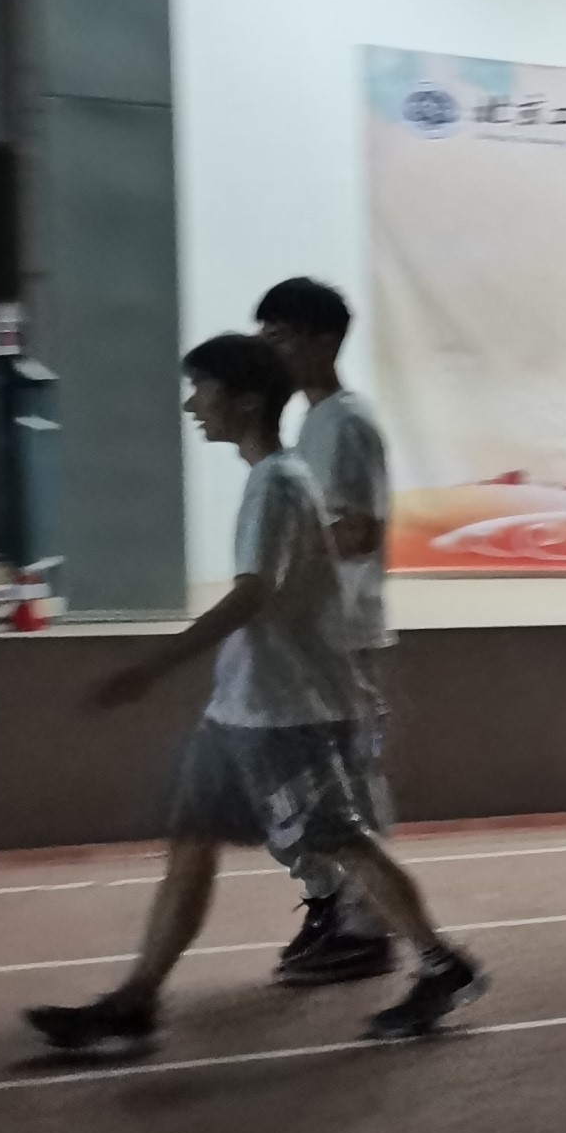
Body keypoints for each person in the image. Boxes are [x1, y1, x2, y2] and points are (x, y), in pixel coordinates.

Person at [25, 335, 489, 1055]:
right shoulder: (276, 480)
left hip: (287, 712)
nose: (191, 405)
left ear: (243, 401)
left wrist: (151, 667)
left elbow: (253, 594)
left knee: (339, 840)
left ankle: (442, 964)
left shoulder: (278, 483)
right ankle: (135, 1002)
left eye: (202, 390)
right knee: (191, 843)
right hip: (240, 709)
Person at [256, 276, 398, 984]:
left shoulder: (348, 423)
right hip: (308, 633)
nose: (269, 352)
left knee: (348, 780)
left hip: (343, 633)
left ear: (323, 340)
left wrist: (276, 567)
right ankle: (331, 902)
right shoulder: (311, 423)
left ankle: (368, 926)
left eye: (279, 337)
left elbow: (360, 530)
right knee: (296, 779)